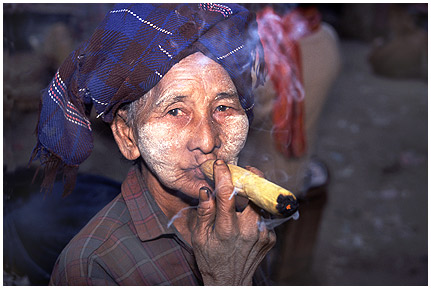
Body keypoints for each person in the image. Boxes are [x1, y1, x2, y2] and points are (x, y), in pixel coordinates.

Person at [30, 3, 276, 285]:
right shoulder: (92, 266)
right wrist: (227, 278)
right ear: (127, 135)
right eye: (175, 112)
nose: (208, 141)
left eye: (223, 108)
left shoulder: (243, 227)